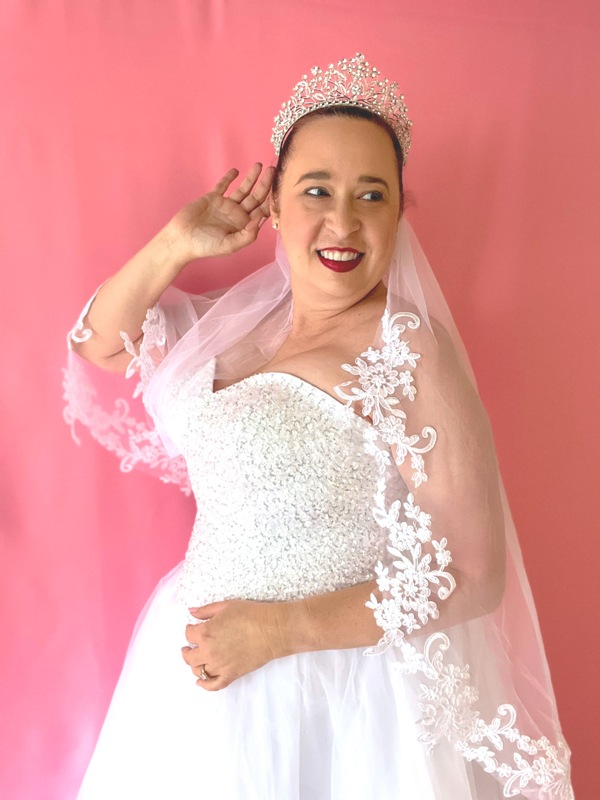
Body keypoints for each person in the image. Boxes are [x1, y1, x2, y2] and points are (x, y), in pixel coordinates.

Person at [64, 54, 574, 799]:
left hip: (339, 692)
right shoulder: (228, 327)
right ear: (273, 207)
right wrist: (178, 242)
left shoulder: (409, 350)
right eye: (316, 191)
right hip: (194, 689)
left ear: (400, 212)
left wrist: (279, 631)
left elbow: (473, 572)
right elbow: (100, 343)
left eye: (373, 194)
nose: (344, 221)